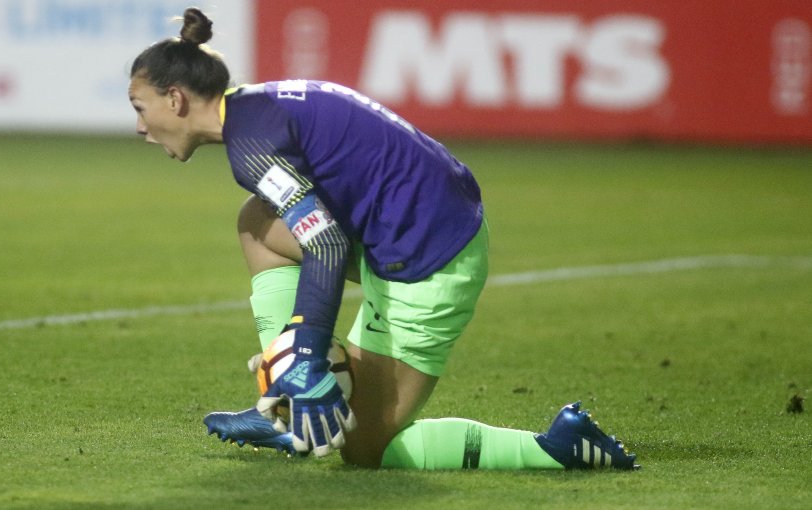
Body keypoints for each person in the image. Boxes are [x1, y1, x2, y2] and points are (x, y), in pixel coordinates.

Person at [127, 7, 638, 470]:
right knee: (256, 224)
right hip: (415, 227)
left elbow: (324, 242)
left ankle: (555, 448)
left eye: (140, 107)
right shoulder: (258, 108)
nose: (139, 128)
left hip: (430, 262)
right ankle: (285, 402)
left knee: (363, 448)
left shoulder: (251, 148)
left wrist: (307, 351)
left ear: (175, 99)